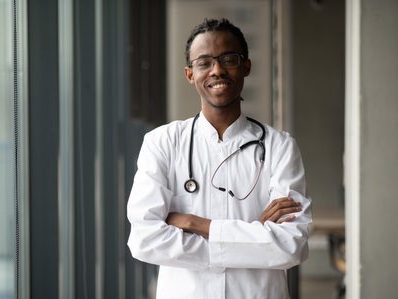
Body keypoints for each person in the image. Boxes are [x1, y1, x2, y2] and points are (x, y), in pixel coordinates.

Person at [127, 18, 312, 299]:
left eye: (229, 59)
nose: (217, 70)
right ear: (190, 74)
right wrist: (253, 235)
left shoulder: (279, 147)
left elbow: (291, 245)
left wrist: (197, 225)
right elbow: (145, 239)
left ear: (246, 66)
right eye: (204, 63)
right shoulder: (162, 143)